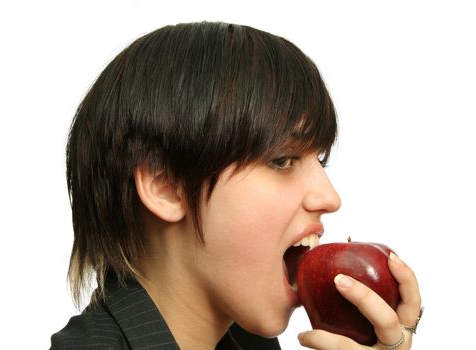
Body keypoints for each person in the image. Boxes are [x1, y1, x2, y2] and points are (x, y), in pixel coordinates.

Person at [51, 22, 422, 350]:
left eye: (319, 161)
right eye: (282, 160)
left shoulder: (248, 342)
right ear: (165, 187)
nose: (330, 198)